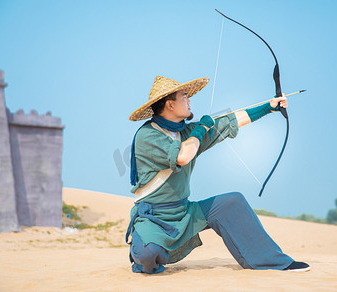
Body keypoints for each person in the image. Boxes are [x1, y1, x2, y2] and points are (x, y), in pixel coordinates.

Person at [126, 75, 309, 274]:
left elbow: (230, 122)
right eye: (184, 97)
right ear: (170, 105)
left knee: (232, 202)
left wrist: (269, 107)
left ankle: (273, 261)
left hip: (184, 212)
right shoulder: (147, 135)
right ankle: (140, 248)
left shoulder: (188, 132)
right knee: (146, 255)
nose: (189, 101)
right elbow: (183, 156)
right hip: (154, 217)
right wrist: (202, 128)